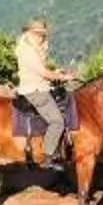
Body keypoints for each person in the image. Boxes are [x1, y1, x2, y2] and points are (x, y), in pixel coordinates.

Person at [13, 18, 68, 153]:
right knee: (57, 122)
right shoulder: (28, 51)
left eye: (43, 34)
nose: (42, 37)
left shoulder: (31, 47)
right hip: (36, 91)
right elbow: (43, 73)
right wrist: (63, 77)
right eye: (40, 34)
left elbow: (40, 71)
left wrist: (55, 72)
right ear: (31, 33)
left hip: (40, 85)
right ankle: (48, 155)